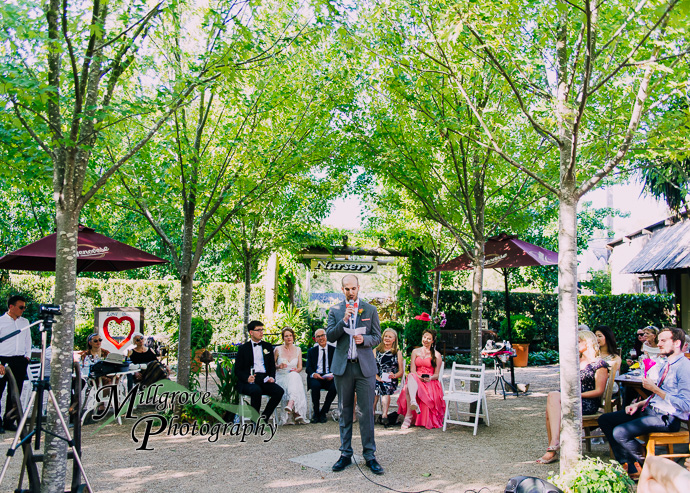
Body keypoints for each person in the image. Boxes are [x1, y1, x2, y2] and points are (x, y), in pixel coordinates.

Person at [599, 327, 690, 479]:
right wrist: (638, 404)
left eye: (663, 340)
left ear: (677, 343)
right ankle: (629, 463)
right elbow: (656, 394)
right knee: (605, 420)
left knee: (620, 432)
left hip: (669, 418)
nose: (659, 344)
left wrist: (655, 389)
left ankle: (645, 463)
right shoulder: (666, 365)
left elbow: (686, 405)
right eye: (659, 340)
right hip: (651, 409)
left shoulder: (684, 368)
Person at [326, 274, 383, 475]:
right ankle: (345, 454)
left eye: (354, 288)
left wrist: (364, 340)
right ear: (343, 290)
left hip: (364, 368)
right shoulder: (335, 310)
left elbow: (377, 337)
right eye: (347, 289)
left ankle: (370, 455)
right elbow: (330, 335)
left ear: (359, 288)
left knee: (366, 412)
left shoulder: (370, 310)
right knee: (345, 410)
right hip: (343, 367)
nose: (351, 292)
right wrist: (344, 320)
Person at [537, 330, 608, 464]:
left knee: (552, 398)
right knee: (552, 400)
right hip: (573, 399)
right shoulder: (576, 361)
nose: (575, 344)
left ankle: (552, 448)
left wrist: (577, 395)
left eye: (579, 341)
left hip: (587, 402)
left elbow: (599, 391)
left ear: (588, 342)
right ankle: (554, 445)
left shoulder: (599, 364)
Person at [234, 320, 284, 422]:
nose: (261, 332)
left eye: (262, 329)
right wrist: (247, 378)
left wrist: (271, 377)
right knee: (256, 391)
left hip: (264, 379)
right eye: (258, 330)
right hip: (249, 380)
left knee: (279, 391)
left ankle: (264, 417)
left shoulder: (267, 346)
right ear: (251, 332)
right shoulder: (243, 349)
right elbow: (237, 369)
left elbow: (271, 366)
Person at [397, 328, 445, 430]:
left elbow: (437, 374)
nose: (425, 340)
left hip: (429, 381)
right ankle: (413, 403)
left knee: (410, 382)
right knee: (410, 376)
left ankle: (408, 417)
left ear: (433, 341)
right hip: (415, 378)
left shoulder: (436, 355)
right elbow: (413, 370)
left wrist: (430, 378)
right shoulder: (415, 351)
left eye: (429, 338)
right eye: (424, 337)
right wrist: (418, 377)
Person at [0, 295, 32, 433]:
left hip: (19, 360)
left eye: (24, 307)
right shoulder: (1, 322)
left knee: (15, 392)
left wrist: (27, 357)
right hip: (3, 359)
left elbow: (27, 340)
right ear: (11, 307)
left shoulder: (25, 322)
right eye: (21, 307)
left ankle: (9, 420)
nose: (23, 310)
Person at [274, 327, 308, 425]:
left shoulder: (298, 349)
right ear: (283, 338)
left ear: (293, 337)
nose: (289, 338)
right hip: (281, 376)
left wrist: (296, 370)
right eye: (286, 336)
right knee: (295, 378)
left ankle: (290, 404)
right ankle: (296, 412)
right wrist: (279, 366)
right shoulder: (277, 349)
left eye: (290, 335)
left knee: (294, 375)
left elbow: (300, 367)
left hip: (292, 376)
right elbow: (271, 366)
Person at [373, 328, 404, 426]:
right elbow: (371, 367)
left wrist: (394, 375)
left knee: (385, 387)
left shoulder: (396, 352)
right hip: (376, 377)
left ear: (394, 339)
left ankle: (384, 415)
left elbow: (401, 371)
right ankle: (372, 414)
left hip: (390, 379)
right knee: (375, 388)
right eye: (386, 336)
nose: (387, 338)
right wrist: (376, 377)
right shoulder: (376, 350)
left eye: (390, 337)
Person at [306, 328, 336, 424]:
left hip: (330, 376)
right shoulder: (311, 351)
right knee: (315, 386)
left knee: (335, 386)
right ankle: (316, 412)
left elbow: (338, 365)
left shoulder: (334, 350)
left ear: (326, 336)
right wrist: (314, 374)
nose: (321, 338)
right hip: (316, 376)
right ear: (315, 339)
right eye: (318, 336)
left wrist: (334, 375)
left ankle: (323, 411)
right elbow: (308, 367)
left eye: (322, 335)